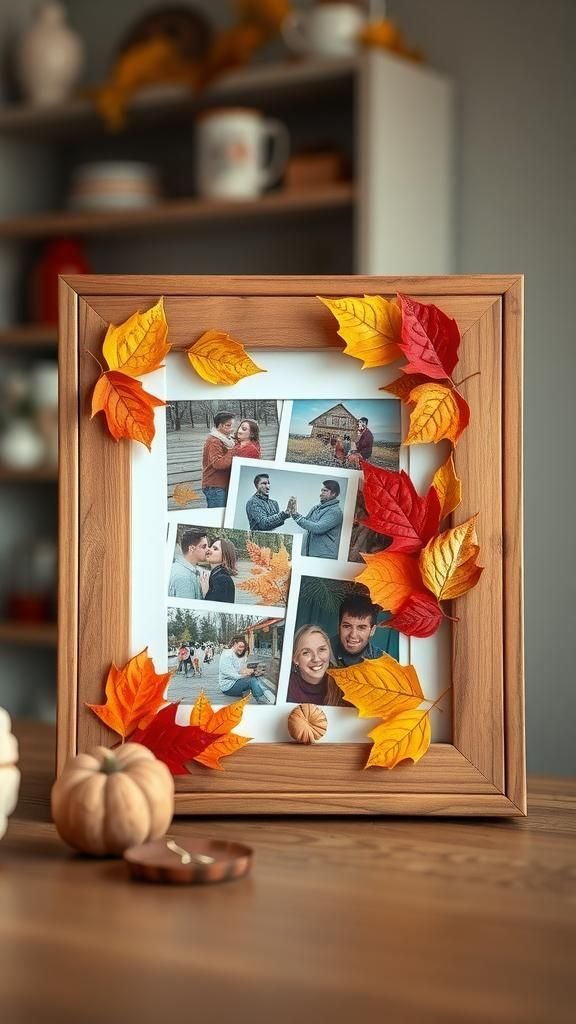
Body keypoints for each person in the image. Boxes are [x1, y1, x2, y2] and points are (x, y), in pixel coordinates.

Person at [330, 592, 394, 666]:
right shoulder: (323, 653)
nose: (353, 635)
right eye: (347, 626)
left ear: (372, 630)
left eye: (361, 628)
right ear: (339, 626)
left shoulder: (381, 663)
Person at [287, 625, 343, 706]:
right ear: (295, 659)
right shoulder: (285, 688)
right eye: (306, 652)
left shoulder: (342, 684)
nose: (316, 659)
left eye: (321, 649)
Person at [291, 480, 343, 558]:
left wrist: (296, 516)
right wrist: (294, 512)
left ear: (334, 494)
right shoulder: (317, 508)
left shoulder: (335, 512)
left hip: (325, 557)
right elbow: (307, 522)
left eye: (325, 490)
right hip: (312, 554)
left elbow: (317, 528)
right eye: (321, 490)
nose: (321, 493)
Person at [218, 635, 275, 704]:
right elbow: (231, 675)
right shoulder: (227, 655)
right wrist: (246, 675)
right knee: (252, 681)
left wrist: (254, 672)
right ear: (234, 644)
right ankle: (263, 702)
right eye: (240, 646)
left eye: (243, 647)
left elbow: (241, 670)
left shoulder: (240, 656)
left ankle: (265, 697)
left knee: (254, 679)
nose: (242, 649)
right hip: (228, 686)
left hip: (236, 682)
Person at [201, 410, 236, 508]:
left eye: (232, 425)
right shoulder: (214, 441)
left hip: (220, 484)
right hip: (215, 486)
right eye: (228, 425)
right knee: (216, 518)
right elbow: (218, 464)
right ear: (219, 426)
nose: (232, 429)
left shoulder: (226, 439)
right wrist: (232, 450)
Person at [168, 529, 208, 599]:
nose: (208, 549)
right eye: (204, 546)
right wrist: (206, 595)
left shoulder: (181, 568)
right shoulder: (185, 578)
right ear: (192, 548)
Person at [205, 537, 238, 603]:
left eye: (215, 549)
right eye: (210, 547)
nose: (209, 549)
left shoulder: (222, 580)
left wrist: (205, 591)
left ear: (225, 557)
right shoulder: (217, 575)